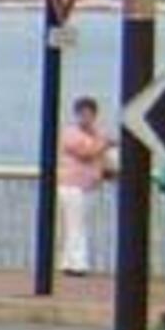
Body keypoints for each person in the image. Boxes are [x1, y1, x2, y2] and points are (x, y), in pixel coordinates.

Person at [56, 95, 109, 277]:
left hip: (89, 185)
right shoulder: (70, 133)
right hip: (72, 185)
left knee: (77, 224)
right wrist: (105, 143)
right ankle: (78, 263)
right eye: (83, 114)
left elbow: (99, 153)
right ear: (77, 114)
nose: (86, 118)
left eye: (90, 114)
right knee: (75, 223)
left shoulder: (96, 133)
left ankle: (69, 261)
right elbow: (86, 152)